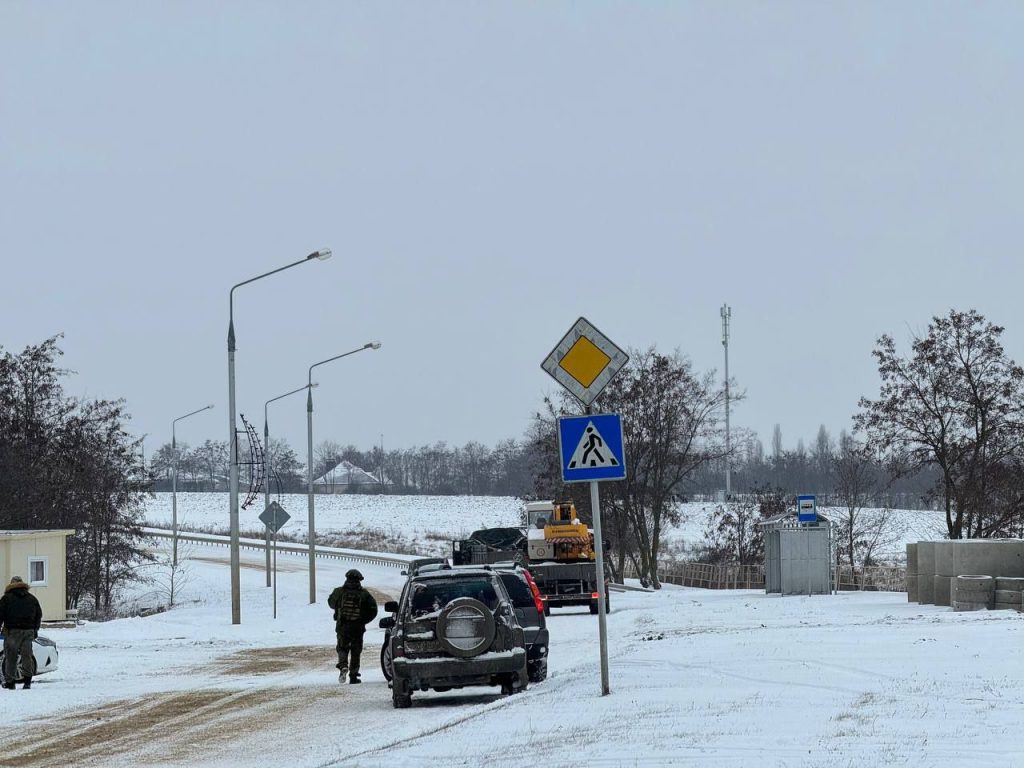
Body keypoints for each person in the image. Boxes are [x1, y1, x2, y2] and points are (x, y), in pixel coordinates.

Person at [327, 569, 378, 684]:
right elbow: (373, 610)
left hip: (342, 625)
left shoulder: (339, 592)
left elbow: (330, 603)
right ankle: (353, 675)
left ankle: (343, 666)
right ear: (359, 580)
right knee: (356, 651)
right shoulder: (364, 594)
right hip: (357, 627)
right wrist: (364, 620)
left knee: (342, 648)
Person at [0, 576, 42, 690]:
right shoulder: (32, 598)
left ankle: (10, 682)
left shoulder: (6, 598)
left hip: (12, 631)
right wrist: (35, 629)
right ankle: (27, 681)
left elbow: (0, 615)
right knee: (26, 656)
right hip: (28, 631)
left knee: (11, 656)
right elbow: (38, 615)